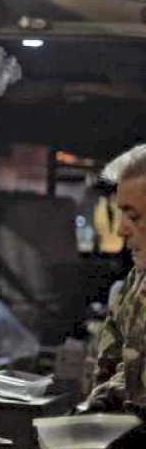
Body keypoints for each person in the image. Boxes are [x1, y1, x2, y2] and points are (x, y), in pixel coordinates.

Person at [82, 143, 146, 413]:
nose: (120, 230)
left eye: (133, 216)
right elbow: (123, 371)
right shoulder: (135, 285)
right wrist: (100, 407)